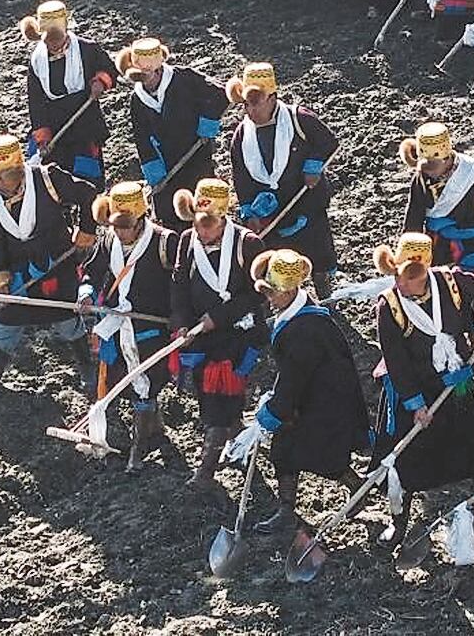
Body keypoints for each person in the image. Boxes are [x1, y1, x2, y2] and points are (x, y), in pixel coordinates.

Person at [369, 232, 474, 545]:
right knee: (407, 458)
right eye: (400, 276)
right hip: (414, 387)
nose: (403, 284)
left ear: (425, 272)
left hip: (454, 381)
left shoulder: (452, 283)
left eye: (411, 278)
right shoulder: (389, 307)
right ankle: (399, 523)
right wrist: (415, 405)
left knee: (472, 446)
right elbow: (396, 360)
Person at [245, 248, 370, 534]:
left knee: (323, 457)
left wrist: (276, 409)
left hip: (322, 402)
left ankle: (358, 486)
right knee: (284, 452)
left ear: (289, 291)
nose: (269, 299)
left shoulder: (306, 328)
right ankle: (286, 509)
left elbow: (294, 377)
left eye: (272, 294)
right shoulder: (295, 314)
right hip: (304, 398)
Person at [0, 134, 98, 408]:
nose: (1, 186)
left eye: (6, 179)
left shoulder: (48, 179)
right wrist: (0, 276)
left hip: (56, 265)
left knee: (67, 321)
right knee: (5, 326)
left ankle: (87, 370)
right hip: (18, 272)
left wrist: (86, 231)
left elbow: (88, 195)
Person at [168, 178, 267, 494]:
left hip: (238, 336)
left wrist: (220, 317)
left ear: (224, 219)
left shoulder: (247, 244)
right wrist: (182, 323)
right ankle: (238, 442)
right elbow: (180, 285)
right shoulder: (187, 240)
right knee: (210, 397)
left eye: (208, 226)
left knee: (219, 402)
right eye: (199, 225)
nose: (202, 232)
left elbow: (258, 294)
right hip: (201, 336)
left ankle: (206, 470)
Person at [82, 181, 181, 468]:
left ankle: (138, 450)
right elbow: (93, 272)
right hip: (117, 325)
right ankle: (156, 430)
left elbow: (179, 284)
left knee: (144, 385)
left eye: (126, 225)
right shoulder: (108, 241)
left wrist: (177, 315)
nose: (120, 231)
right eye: (116, 225)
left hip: (151, 327)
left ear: (141, 219)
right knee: (126, 382)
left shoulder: (165, 242)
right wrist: (86, 293)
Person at [225, 62, 336, 290]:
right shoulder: (241, 136)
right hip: (272, 210)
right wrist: (248, 209)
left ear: (272, 98)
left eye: (255, 104)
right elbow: (241, 176)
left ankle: (322, 284)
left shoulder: (299, 119)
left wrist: (313, 166)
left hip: (305, 202)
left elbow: (328, 142)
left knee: (316, 248)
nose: (250, 111)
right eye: (246, 105)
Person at [117, 37, 227, 228]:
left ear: (158, 70)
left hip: (196, 154)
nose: (145, 84)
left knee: (203, 207)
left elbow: (219, 95)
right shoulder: (137, 100)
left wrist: (206, 127)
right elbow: (142, 141)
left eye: (146, 76)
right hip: (167, 165)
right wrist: (155, 175)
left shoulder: (185, 79)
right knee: (169, 213)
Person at [21, 0, 112, 203]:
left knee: (88, 179)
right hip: (55, 127)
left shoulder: (87, 49)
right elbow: (35, 102)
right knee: (56, 181)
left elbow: (109, 68)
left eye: (57, 40)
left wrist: (100, 81)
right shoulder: (36, 61)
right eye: (49, 42)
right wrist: (43, 138)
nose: (54, 46)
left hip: (85, 122)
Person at [400, 121, 474, 272]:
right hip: (439, 245)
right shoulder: (420, 178)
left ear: (446, 159)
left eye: (433, 166)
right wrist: (410, 249)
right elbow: (414, 216)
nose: (429, 172)